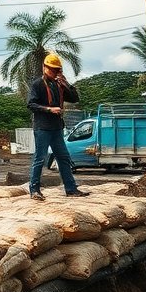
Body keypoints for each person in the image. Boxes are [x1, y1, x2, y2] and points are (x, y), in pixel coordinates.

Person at [27, 53, 89, 201]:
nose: (55, 72)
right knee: (40, 158)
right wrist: (49, 109)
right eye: (53, 70)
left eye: (57, 70)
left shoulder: (58, 84)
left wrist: (66, 83)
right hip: (42, 127)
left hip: (56, 127)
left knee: (64, 158)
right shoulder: (38, 84)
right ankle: (34, 190)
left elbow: (74, 98)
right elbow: (31, 104)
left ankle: (71, 189)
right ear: (45, 68)